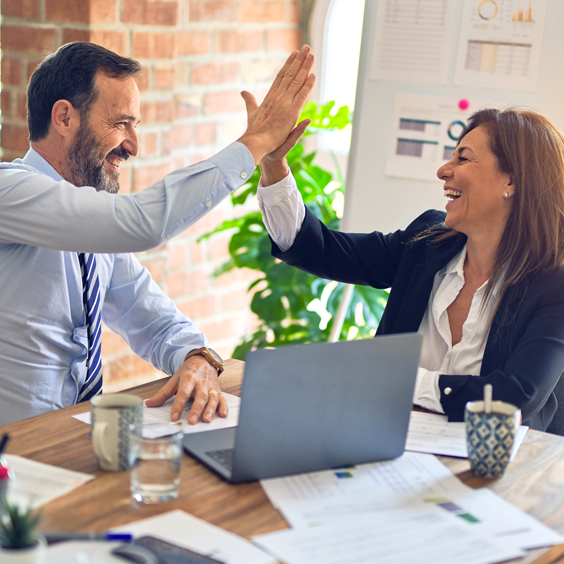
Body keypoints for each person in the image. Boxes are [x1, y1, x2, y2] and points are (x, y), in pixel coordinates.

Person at [0, 41, 315, 427]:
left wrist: (197, 358)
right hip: (14, 453)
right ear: (64, 118)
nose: (134, 145)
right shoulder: (9, 192)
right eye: (120, 123)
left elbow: (154, 321)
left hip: (75, 441)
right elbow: (141, 222)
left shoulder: (93, 228)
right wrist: (255, 143)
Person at [255, 107, 564, 432]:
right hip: (392, 448)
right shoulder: (426, 242)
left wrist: (395, 380)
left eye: (463, 159)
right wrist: (273, 164)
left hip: (499, 471)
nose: (443, 170)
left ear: (511, 181)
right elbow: (322, 250)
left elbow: (516, 397)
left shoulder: (554, 285)